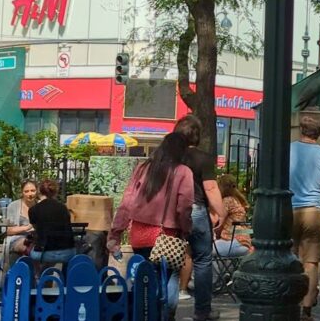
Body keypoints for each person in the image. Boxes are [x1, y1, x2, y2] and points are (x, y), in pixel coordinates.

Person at [108, 132, 195, 320]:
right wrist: (186, 229)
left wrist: (115, 233)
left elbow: (127, 202)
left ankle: (147, 313)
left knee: (147, 277)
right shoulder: (183, 172)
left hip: (139, 234)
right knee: (170, 276)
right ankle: (166, 316)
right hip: (167, 236)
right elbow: (185, 206)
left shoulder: (142, 168)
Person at [174, 115, 226, 321]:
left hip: (174, 211)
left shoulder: (171, 158)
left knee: (171, 260)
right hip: (196, 210)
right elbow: (211, 187)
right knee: (203, 260)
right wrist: (220, 212)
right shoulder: (203, 158)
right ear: (197, 135)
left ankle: (168, 308)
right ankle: (202, 311)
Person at [289, 116, 320, 321]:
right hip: (313, 211)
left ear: (301, 129)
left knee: (288, 258)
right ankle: (307, 309)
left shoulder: (288, 150)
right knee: (311, 262)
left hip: (289, 208)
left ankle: (289, 301)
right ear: (318, 133)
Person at [28, 179, 76, 265]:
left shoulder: (33, 210)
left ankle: (39, 276)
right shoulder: (63, 208)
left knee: (30, 250)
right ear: (55, 192)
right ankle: (64, 276)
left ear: (39, 191)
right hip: (68, 251)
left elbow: (37, 229)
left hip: (44, 252)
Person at [215, 174, 252, 257]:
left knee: (202, 251)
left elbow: (218, 222)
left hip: (232, 242)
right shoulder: (238, 201)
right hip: (245, 242)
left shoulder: (227, 201)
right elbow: (247, 228)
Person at [2, 180, 37, 258]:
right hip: (16, 238)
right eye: (26, 191)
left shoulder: (40, 205)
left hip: (37, 238)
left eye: (33, 191)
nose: (30, 194)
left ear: (37, 191)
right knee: (27, 245)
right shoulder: (13, 206)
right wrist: (28, 227)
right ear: (22, 193)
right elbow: (8, 231)